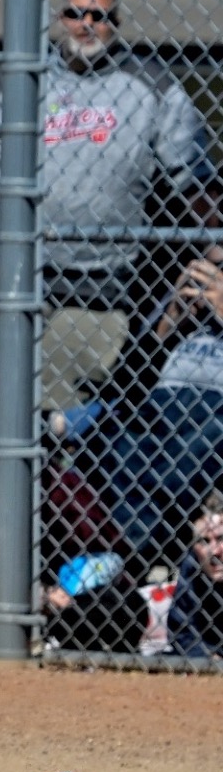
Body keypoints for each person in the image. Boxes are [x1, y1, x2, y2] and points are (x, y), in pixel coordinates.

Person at [0, 0, 207, 315]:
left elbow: (192, 179)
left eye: (98, 16)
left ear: (116, 24)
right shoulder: (22, 75)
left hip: (107, 277)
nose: (86, 24)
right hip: (21, 260)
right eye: (75, 13)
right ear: (61, 19)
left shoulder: (150, 84)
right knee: (9, 360)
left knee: (79, 363)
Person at [0, 409, 143, 652]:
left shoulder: (55, 488)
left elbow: (112, 555)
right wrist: (30, 594)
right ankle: (11, 640)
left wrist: (56, 592)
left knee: (122, 606)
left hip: (67, 594)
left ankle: (59, 643)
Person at [68, 244, 223, 572]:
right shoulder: (186, 312)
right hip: (156, 411)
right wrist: (170, 319)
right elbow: (127, 382)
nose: (213, 276)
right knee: (116, 434)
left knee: (195, 441)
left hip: (211, 414)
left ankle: (132, 557)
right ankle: (121, 553)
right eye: (210, 266)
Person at [164, 492, 223, 657]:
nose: (214, 552)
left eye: (221, 538)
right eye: (203, 541)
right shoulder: (193, 564)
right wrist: (207, 656)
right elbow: (181, 633)